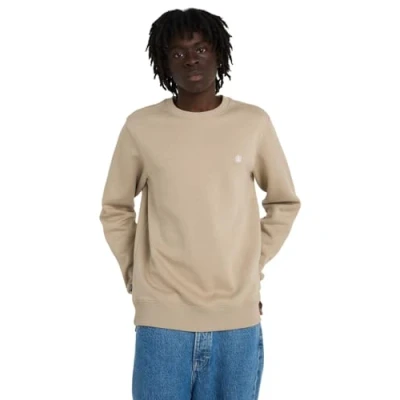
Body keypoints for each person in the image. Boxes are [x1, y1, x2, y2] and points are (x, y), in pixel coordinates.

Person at [99, 7, 301, 400]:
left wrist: (252, 261)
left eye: (201, 48)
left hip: (236, 323)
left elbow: (284, 201)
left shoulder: (253, 123)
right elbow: (115, 208)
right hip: (162, 324)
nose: (191, 59)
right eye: (177, 53)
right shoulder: (141, 127)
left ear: (218, 54)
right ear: (164, 63)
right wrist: (135, 273)